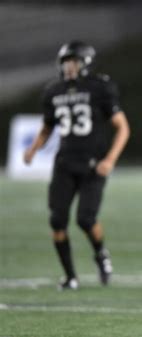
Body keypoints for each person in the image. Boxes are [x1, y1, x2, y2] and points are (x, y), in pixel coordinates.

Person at [24, 41, 130, 290]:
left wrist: (110, 160)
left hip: (93, 165)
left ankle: (100, 253)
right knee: (57, 220)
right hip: (64, 163)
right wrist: (33, 148)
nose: (69, 67)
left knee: (85, 219)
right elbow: (48, 126)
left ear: (85, 63)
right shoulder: (53, 90)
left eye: (73, 62)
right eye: (66, 63)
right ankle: (70, 276)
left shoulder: (99, 87)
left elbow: (122, 128)